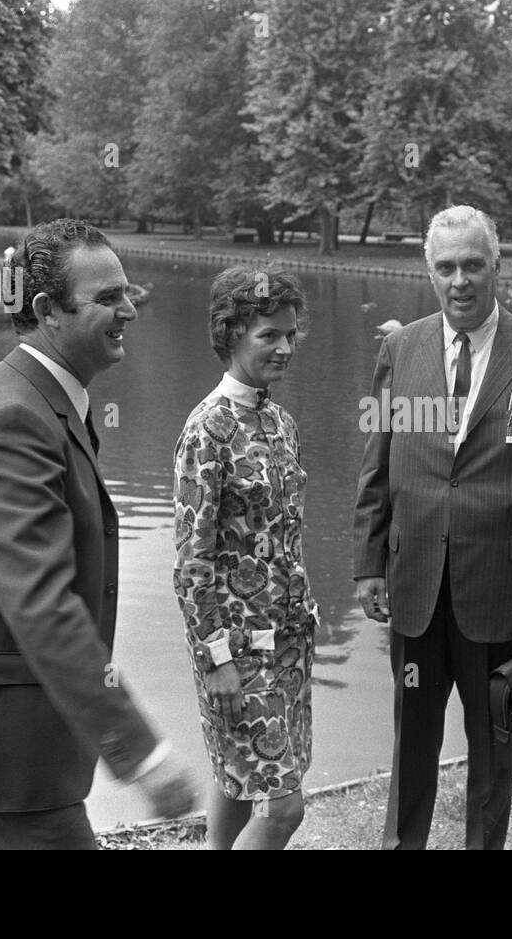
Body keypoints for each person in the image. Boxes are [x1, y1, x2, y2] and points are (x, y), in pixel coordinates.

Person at [0, 219, 198, 849]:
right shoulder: (15, 419)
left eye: (128, 293)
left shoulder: (33, 399)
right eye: (109, 298)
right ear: (49, 310)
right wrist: (140, 754)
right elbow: (41, 604)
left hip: (10, 754)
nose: (130, 309)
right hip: (11, 760)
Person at [353, 205, 512, 850]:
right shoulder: (399, 350)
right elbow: (376, 461)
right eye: (446, 267)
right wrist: (369, 562)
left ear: (496, 267)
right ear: (429, 272)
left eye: (473, 265)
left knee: (493, 754)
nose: (460, 281)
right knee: (411, 746)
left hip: (502, 591)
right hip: (415, 584)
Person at [173, 266, 319, 850]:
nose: (285, 347)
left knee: (237, 782)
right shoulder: (206, 431)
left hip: (289, 640)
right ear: (231, 334)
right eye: (269, 336)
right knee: (283, 807)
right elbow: (191, 563)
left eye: (291, 334)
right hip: (235, 653)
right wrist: (215, 659)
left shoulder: (281, 422)